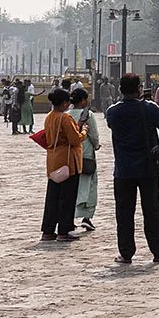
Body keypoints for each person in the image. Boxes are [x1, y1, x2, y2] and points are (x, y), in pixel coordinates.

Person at [103, 73, 159, 264]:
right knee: (152, 211)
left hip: (123, 169)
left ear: (120, 90)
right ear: (140, 89)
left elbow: (111, 125)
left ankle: (126, 253)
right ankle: (158, 252)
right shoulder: (149, 108)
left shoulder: (113, 111)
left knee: (124, 213)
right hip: (148, 168)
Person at [39, 89, 85, 241]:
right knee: (67, 197)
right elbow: (75, 139)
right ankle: (64, 231)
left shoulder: (49, 117)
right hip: (67, 161)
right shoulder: (65, 118)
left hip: (53, 159)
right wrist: (84, 131)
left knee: (52, 197)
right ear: (64, 103)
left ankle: (48, 229)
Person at [70, 86, 100, 232]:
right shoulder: (88, 115)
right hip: (87, 154)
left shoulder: (67, 114)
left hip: (70, 155)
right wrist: (97, 145)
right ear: (82, 101)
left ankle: (70, 216)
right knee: (89, 185)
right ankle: (86, 217)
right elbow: (93, 135)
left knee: (72, 186)